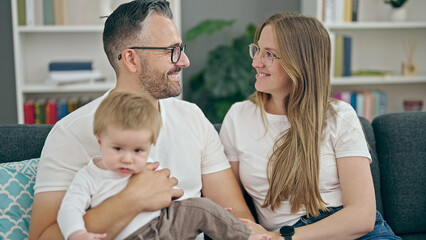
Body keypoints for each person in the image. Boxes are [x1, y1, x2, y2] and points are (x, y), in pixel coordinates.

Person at [29, 1, 254, 239]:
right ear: (131, 59)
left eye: (181, 48)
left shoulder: (192, 117)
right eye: (172, 51)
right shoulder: (71, 133)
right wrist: (132, 199)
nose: (185, 61)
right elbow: (42, 236)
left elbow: (238, 219)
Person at [219, 13, 401, 240]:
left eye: (269, 54)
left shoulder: (339, 116)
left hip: (350, 232)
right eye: (257, 50)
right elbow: (227, 197)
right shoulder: (239, 117)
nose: (256, 62)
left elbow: (362, 216)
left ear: (300, 62)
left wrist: (280, 237)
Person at [57, 92, 269, 240]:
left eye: (138, 151)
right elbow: (69, 209)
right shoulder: (88, 177)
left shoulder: (146, 168)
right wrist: (77, 233)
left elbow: (169, 197)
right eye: (118, 149)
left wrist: (212, 214)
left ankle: (242, 235)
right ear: (100, 140)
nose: (128, 159)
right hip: (133, 236)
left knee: (200, 207)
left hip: (164, 225)